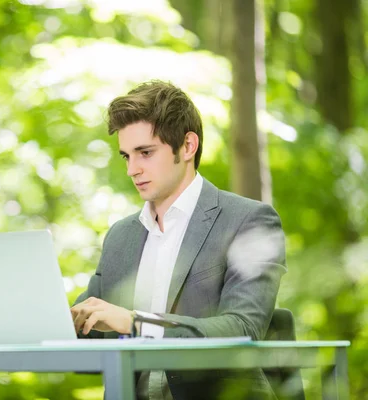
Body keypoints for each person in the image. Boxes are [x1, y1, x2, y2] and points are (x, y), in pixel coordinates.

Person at [70, 81, 286, 400]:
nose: (132, 169)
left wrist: (135, 322)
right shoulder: (121, 236)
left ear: (187, 146)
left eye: (145, 153)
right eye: (126, 156)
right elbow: (88, 331)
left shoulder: (249, 220)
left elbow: (243, 328)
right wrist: (61, 321)